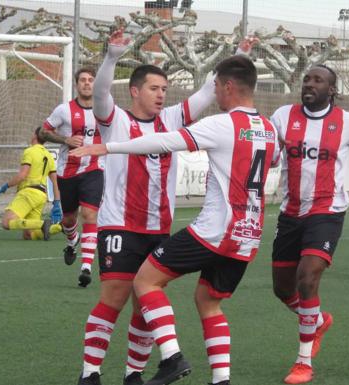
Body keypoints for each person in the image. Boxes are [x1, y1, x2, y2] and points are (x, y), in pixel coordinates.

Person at [72, 54, 278, 385]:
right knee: (114, 297)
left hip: (161, 227)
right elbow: (99, 93)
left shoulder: (173, 119)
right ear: (135, 91)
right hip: (122, 225)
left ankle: (134, 374)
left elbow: (205, 96)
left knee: (144, 304)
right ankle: (90, 373)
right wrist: (111, 57)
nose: (161, 94)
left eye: (165, 89)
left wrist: (232, 59)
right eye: (154, 88)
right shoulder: (116, 119)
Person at [269, 65, 349, 384]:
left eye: (317, 80)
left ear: (332, 90)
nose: (309, 84)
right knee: (283, 289)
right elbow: (267, 155)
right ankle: (319, 321)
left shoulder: (348, 123)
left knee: (307, 278)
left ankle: (303, 362)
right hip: (290, 212)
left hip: (327, 211)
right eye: (306, 79)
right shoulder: (283, 116)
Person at [40, 67, 103, 287]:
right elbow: (42, 132)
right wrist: (64, 139)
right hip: (67, 171)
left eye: (91, 80)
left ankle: (86, 267)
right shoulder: (64, 110)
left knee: (90, 214)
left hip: (94, 170)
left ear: (96, 84)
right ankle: (72, 240)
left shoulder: (106, 111)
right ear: (77, 84)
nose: (87, 83)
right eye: (83, 80)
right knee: (68, 220)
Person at [0, 127, 63, 240]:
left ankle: (42, 224)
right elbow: (55, 182)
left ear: (35, 136)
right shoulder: (48, 155)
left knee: (6, 222)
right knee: (29, 235)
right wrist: (56, 203)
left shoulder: (30, 151)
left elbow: (22, 176)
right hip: (41, 196)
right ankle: (57, 227)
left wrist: (5, 186)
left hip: (29, 193)